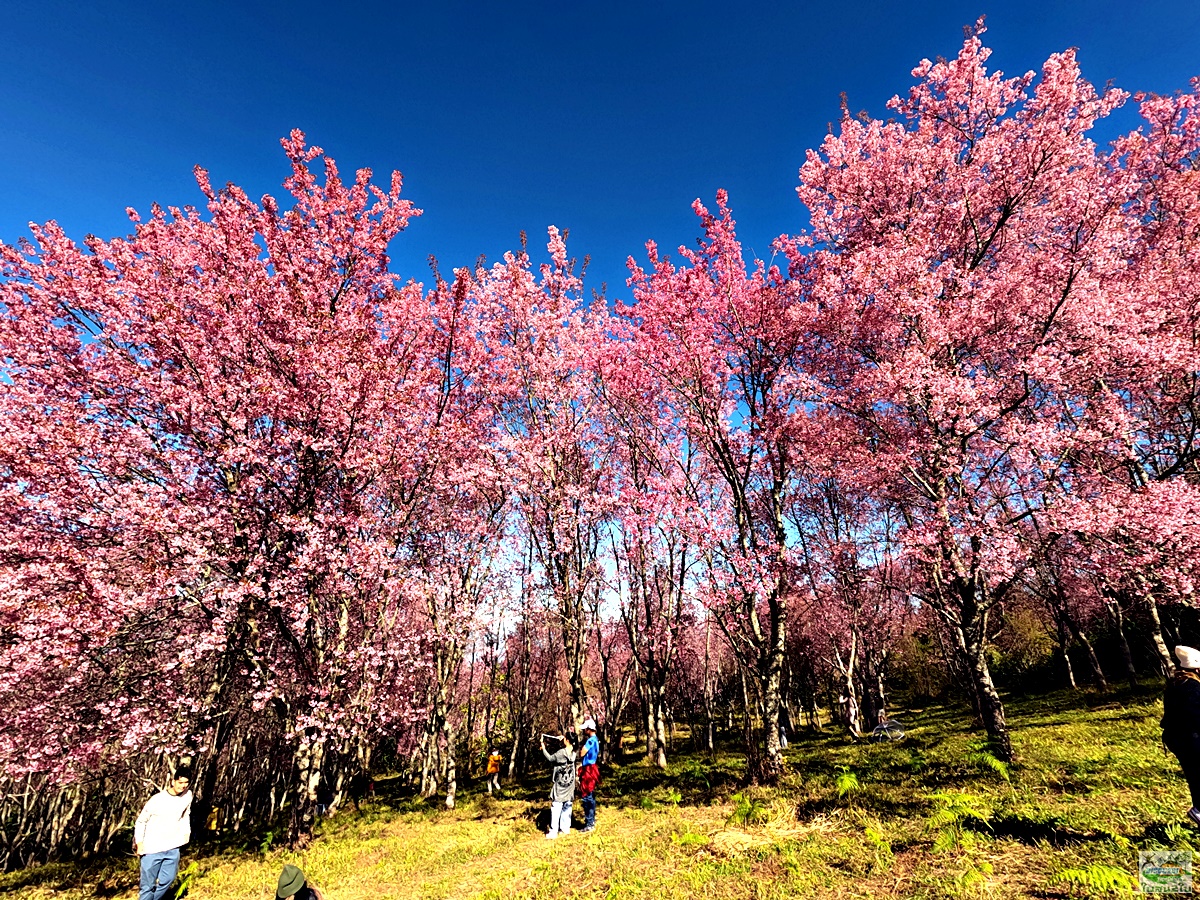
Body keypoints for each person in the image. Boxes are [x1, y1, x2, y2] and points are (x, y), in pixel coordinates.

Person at [134, 767, 193, 900]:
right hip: (152, 848)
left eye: (186, 783)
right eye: (180, 782)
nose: (183, 786)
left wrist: (186, 832)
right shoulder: (157, 800)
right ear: (173, 782)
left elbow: (186, 814)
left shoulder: (187, 796)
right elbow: (141, 821)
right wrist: (140, 843)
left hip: (173, 847)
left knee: (168, 879)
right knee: (147, 885)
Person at [1163, 645, 1200, 826]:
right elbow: (1196, 716)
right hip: (1191, 738)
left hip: (1178, 739)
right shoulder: (1192, 687)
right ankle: (1198, 811)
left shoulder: (1175, 685)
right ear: (1197, 669)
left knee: (1195, 775)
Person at [539, 732, 575, 839]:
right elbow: (568, 746)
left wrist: (543, 748)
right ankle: (565, 829)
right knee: (567, 805)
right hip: (569, 784)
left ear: (567, 740)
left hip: (560, 785)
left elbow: (550, 758)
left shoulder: (561, 753)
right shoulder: (574, 752)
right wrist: (562, 740)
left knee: (556, 806)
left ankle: (553, 831)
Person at [577, 718, 600, 833]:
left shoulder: (590, 741)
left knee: (586, 796)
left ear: (589, 729)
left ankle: (589, 823)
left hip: (588, 770)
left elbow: (582, 752)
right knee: (591, 795)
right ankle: (591, 820)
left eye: (585, 728)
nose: (584, 730)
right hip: (592, 768)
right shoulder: (596, 740)